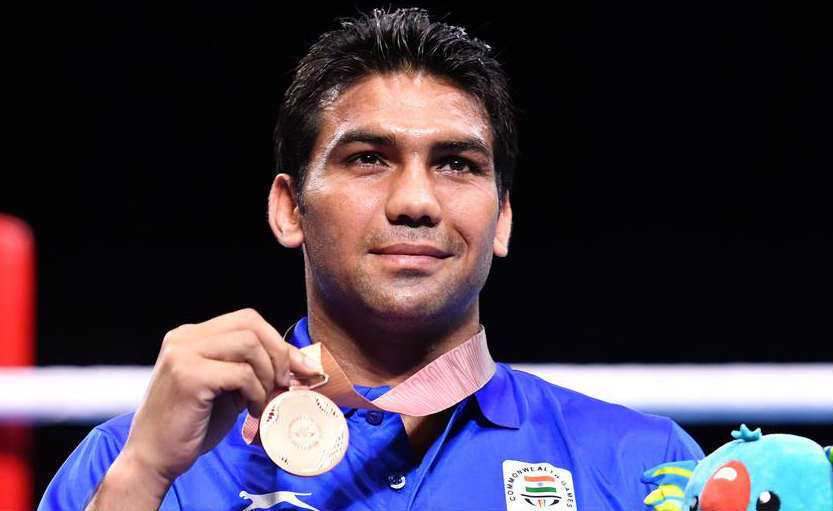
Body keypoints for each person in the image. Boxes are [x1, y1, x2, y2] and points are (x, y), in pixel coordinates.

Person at [40, 8, 703, 511]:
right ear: (289, 208)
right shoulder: (131, 464)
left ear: (501, 217)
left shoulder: (645, 467)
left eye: (456, 163)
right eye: (368, 159)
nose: (415, 201)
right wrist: (144, 476)